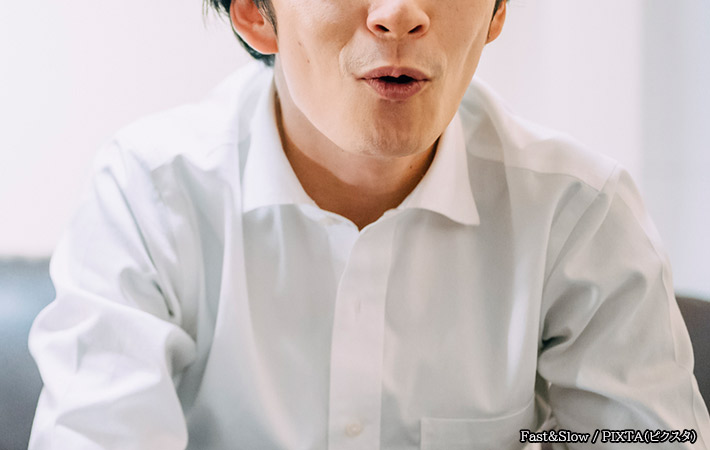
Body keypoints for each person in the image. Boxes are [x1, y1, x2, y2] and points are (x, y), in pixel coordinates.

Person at [27, 0, 710, 449]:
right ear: (256, 14)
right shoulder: (150, 195)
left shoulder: (579, 213)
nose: (400, 15)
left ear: (497, 11)